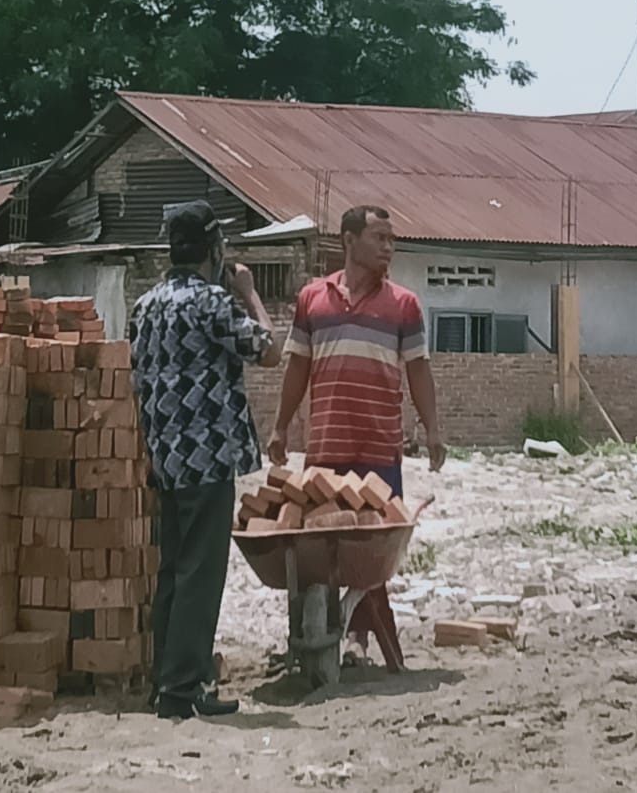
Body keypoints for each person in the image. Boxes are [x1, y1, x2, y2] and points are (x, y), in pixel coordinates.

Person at [268, 204, 444, 671]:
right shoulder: (312, 299)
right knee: (321, 556)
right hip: (325, 449)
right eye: (379, 238)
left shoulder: (404, 304)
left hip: (378, 448)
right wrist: (280, 426)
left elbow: (419, 370)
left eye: (392, 238)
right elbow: (298, 367)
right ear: (349, 242)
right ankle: (319, 637)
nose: (389, 246)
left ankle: (363, 644)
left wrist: (433, 429)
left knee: (369, 558)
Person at [130, 199, 282, 719]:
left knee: (173, 570)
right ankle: (183, 687)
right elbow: (267, 349)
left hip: (165, 457)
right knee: (201, 572)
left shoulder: (145, 306)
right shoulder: (212, 302)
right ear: (214, 251)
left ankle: (164, 681)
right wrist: (250, 292)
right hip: (208, 459)